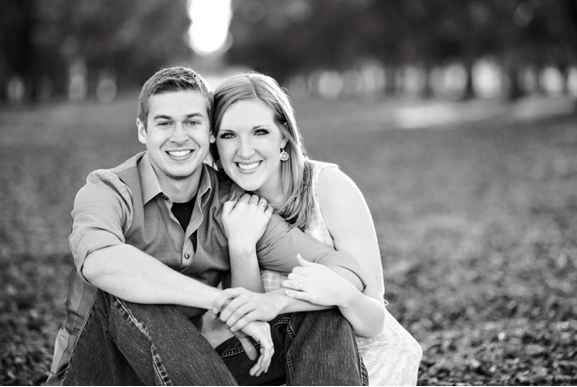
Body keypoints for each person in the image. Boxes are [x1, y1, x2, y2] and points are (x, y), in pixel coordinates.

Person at [47, 67, 369, 385]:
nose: (179, 135)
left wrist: (278, 301)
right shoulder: (107, 190)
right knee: (128, 282)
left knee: (322, 313)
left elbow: (345, 270)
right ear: (143, 131)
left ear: (210, 133)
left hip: (183, 372)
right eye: (164, 123)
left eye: (192, 122)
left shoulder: (234, 205)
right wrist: (218, 301)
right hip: (101, 373)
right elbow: (99, 263)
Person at [209, 73, 423, 386]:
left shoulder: (329, 188)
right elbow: (250, 326)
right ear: (213, 141)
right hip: (271, 357)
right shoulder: (221, 203)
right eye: (229, 135)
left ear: (283, 136)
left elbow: (373, 319)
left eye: (260, 132)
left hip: (354, 354)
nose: (244, 151)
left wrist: (303, 298)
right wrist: (242, 247)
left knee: (325, 313)